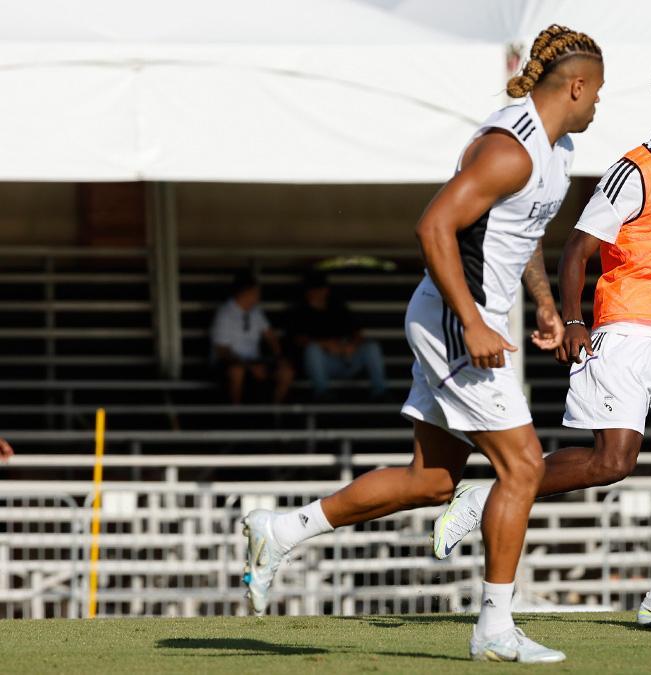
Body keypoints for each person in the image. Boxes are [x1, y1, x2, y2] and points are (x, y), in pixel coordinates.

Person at [239, 25, 603, 663]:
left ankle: (282, 529)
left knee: (434, 481)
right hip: (455, 323)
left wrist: (545, 305)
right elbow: (433, 224)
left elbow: (527, 228)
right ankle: (494, 629)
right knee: (523, 467)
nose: (599, 103)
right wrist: (476, 320)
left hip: (461, 320)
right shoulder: (508, 148)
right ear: (575, 86)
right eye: (597, 91)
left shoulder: (557, 146)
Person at [429, 57, 651, 629]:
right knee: (612, 462)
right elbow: (578, 248)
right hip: (625, 329)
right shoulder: (632, 171)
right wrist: (572, 320)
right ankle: (483, 500)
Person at [287, 270, 389, 401]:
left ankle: (380, 392)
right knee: (312, 350)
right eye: (313, 289)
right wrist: (326, 345)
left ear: (326, 290)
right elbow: (297, 339)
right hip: (322, 364)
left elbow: (358, 334)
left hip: (347, 359)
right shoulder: (299, 311)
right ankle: (322, 393)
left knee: (372, 347)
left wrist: (351, 346)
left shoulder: (338, 308)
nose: (317, 292)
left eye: (319, 288)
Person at [210, 270, 294, 405]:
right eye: (256, 292)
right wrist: (250, 367)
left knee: (286, 371)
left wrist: (279, 358)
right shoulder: (224, 313)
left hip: (254, 361)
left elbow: (271, 337)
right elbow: (223, 351)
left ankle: (274, 413)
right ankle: (236, 415)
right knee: (236, 371)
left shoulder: (256, 312)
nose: (258, 296)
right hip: (231, 363)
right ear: (245, 292)